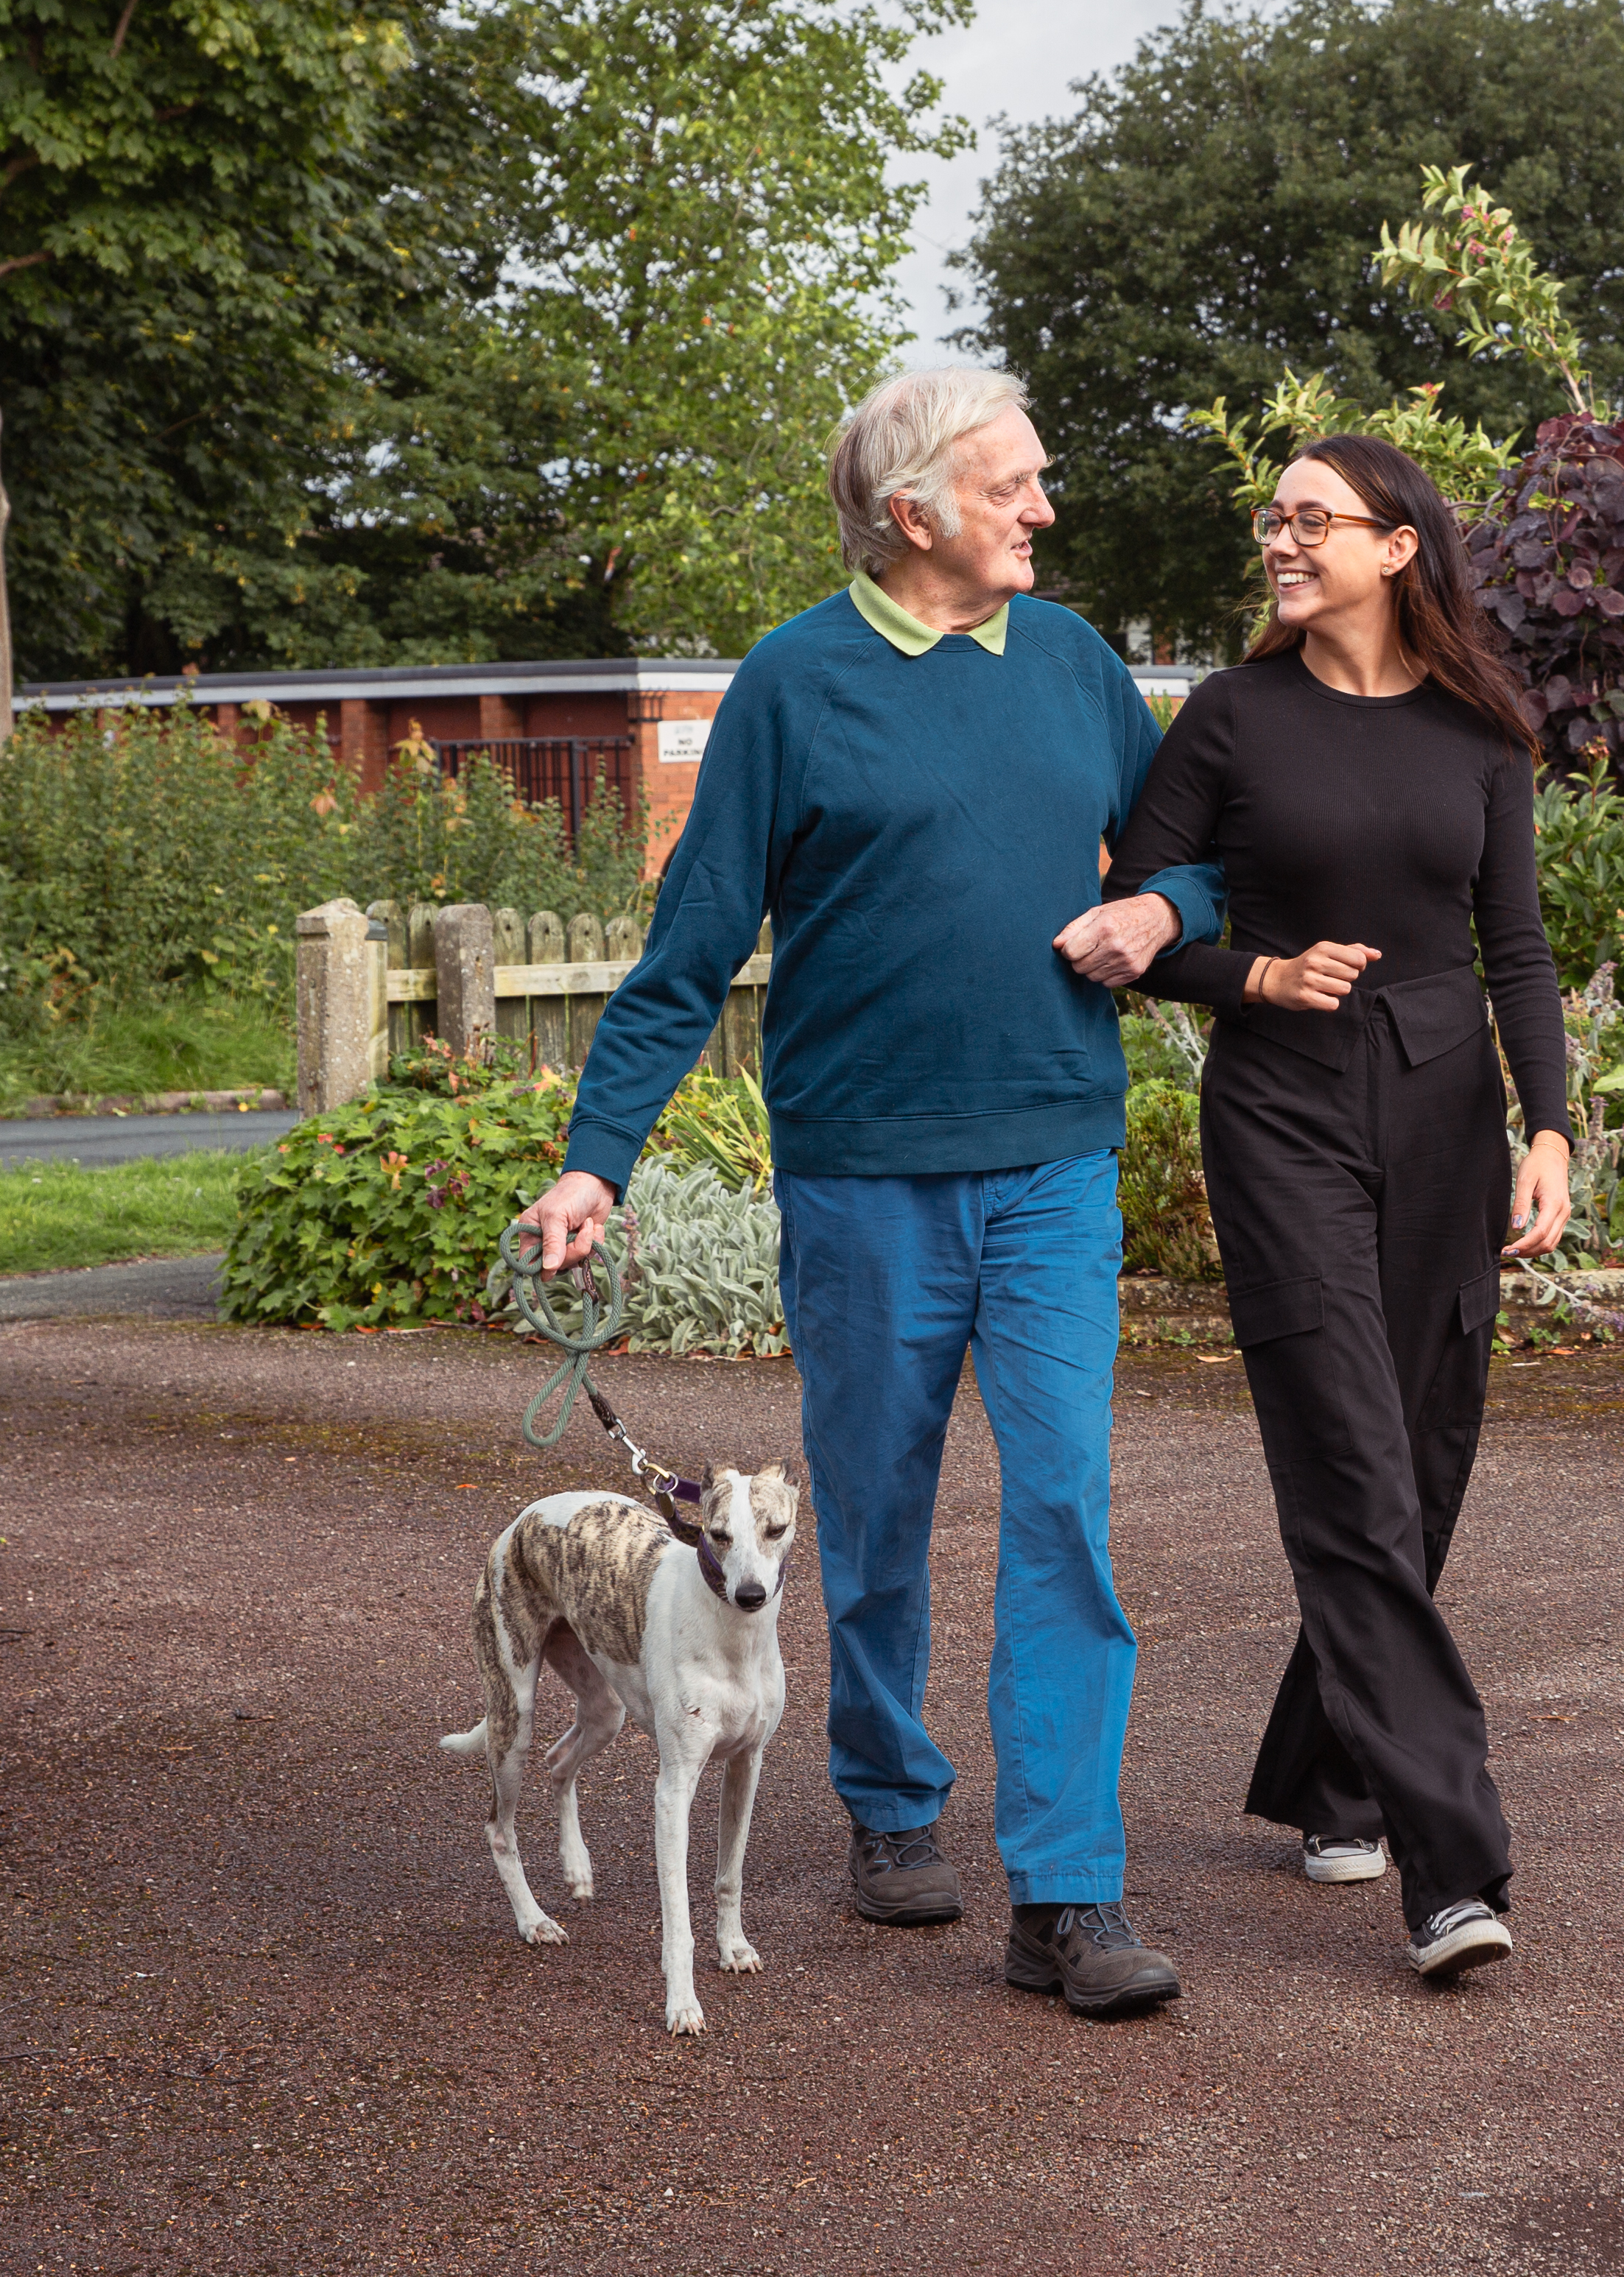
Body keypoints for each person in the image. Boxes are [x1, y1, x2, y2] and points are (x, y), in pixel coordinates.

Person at [512, 366, 1226, 2021]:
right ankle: (891, 1796)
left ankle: (1066, 1887)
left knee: (1062, 1512)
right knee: (878, 1512)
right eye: (1015, 484)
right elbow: (693, 945)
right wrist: (594, 1158)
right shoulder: (795, 682)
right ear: (914, 515)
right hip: (863, 1177)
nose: (1046, 507)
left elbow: (1193, 850)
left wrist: (1161, 913)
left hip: (1053, 1158)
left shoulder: (1072, 661)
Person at [1103, 432, 1572, 1980]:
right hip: (1283, 1107)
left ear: (1396, 546)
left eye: (1312, 518)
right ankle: (1452, 1862)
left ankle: (1333, 1770)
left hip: (1445, 1108)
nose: (1281, 540)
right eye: (1274, 518)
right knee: (1351, 1462)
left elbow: (1515, 944)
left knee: (1424, 1459)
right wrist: (1254, 972)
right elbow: (1135, 916)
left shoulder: (1479, 728)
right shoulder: (1230, 716)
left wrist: (1552, 1123)